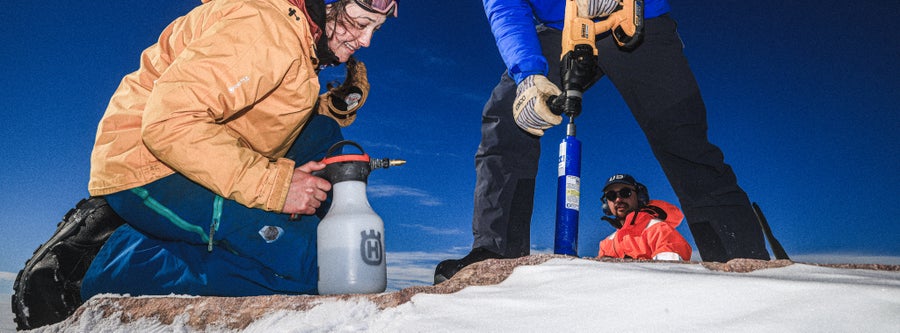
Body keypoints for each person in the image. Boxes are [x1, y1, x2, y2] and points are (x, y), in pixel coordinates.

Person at [12, 0, 398, 329]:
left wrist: (331, 106)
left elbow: (258, 108)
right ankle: (100, 261)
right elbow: (170, 123)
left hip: (195, 153)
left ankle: (291, 236)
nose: (365, 40)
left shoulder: (292, 42)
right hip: (150, 166)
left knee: (327, 138)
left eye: (375, 30)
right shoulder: (264, 30)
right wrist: (277, 188)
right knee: (317, 269)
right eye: (361, 22)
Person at [434, 0, 770, 283]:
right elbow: (505, 4)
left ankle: (741, 258)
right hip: (561, 27)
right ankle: (497, 254)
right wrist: (529, 75)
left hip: (639, 16)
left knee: (682, 138)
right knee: (508, 114)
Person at [597, 174, 692, 261]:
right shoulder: (607, 243)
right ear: (606, 203)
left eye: (625, 193)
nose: (618, 199)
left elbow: (669, 271)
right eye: (611, 195)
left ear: (639, 196)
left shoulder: (659, 230)